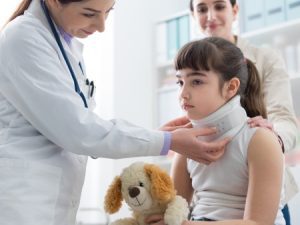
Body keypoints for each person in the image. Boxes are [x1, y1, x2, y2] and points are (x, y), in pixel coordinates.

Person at [0, 0, 231, 224]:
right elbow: (79, 131)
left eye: (108, 12)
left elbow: (85, 125)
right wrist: (166, 141)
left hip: (47, 201)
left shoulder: (65, 44)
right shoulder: (23, 38)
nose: (101, 27)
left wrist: (159, 136)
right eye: (90, 14)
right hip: (23, 202)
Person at [147, 37, 285, 225]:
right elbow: (172, 214)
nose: (183, 94)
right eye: (180, 82)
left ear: (231, 87)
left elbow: (259, 223)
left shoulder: (260, 140)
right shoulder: (185, 146)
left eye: (196, 81)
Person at [187, 0, 299, 223]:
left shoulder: (266, 58)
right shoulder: (191, 67)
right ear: (193, 16)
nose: (210, 16)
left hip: (263, 188)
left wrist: (272, 139)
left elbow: (285, 119)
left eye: (219, 6)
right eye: (201, 9)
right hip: (211, 198)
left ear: (235, 11)